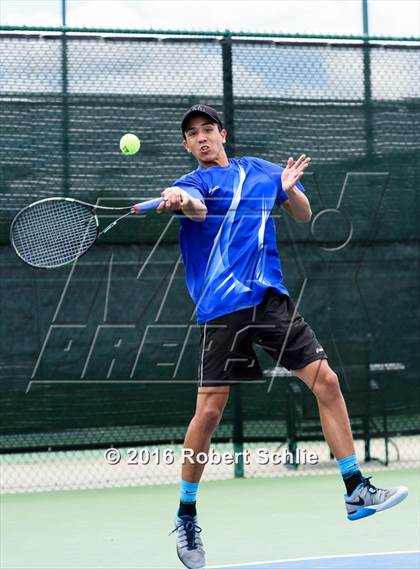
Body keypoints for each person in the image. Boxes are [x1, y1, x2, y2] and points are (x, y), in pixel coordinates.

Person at [161, 104, 408, 569]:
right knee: (210, 413)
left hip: (270, 299)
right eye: (192, 134)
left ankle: (356, 490)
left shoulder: (259, 171)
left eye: (208, 129)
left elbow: (302, 213)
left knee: (327, 382)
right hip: (221, 308)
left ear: (222, 133)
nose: (201, 138)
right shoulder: (195, 183)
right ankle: (186, 514)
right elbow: (194, 209)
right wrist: (178, 197)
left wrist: (290, 191)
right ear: (187, 145)